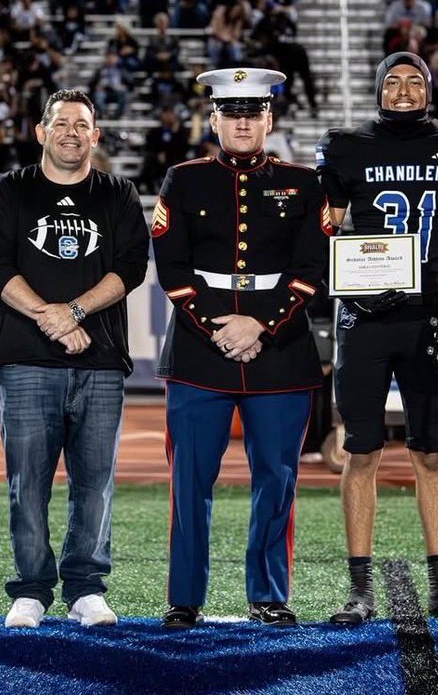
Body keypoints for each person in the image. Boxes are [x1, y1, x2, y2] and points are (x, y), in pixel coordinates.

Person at [315, 52, 438, 625]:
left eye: (415, 81)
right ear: (379, 90)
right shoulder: (348, 145)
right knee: (360, 450)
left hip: (429, 317)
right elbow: (326, 227)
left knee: (430, 451)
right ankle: (359, 590)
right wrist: (339, 282)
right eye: (393, 81)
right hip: (364, 317)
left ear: (430, 89)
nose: (404, 89)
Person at [153, 67, 329, 629]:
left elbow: (310, 270)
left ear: (270, 119)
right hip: (201, 352)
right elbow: (173, 270)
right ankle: (185, 599)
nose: (243, 122)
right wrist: (220, 326)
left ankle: (269, 596)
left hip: (280, 351)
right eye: (232, 113)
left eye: (253, 113)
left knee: (277, 481)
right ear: (214, 120)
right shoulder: (181, 180)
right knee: (190, 481)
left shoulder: (305, 183)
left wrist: (260, 325)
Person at [0, 89, 150, 629]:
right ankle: (30, 588)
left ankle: (85, 588)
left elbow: (131, 267)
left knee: (94, 481)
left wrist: (71, 312)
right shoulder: (11, 189)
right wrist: (50, 318)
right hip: (28, 360)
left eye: (82, 125)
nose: (72, 132)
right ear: (41, 132)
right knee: (27, 482)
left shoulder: (118, 194)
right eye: (62, 123)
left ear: (95, 136)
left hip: (99, 363)